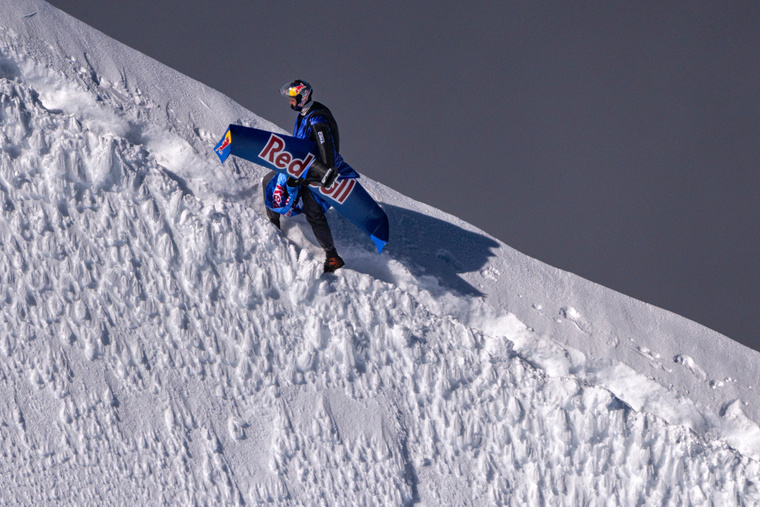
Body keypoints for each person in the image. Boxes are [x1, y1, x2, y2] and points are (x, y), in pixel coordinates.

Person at [262, 79, 358, 273]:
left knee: (313, 213)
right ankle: (273, 226)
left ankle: (333, 257)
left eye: (292, 98)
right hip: (300, 167)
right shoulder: (305, 114)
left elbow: (327, 157)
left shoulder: (317, 120)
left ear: (302, 97)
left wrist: (307, 178)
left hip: (315, 173)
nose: (290, 101)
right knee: (269, 181)